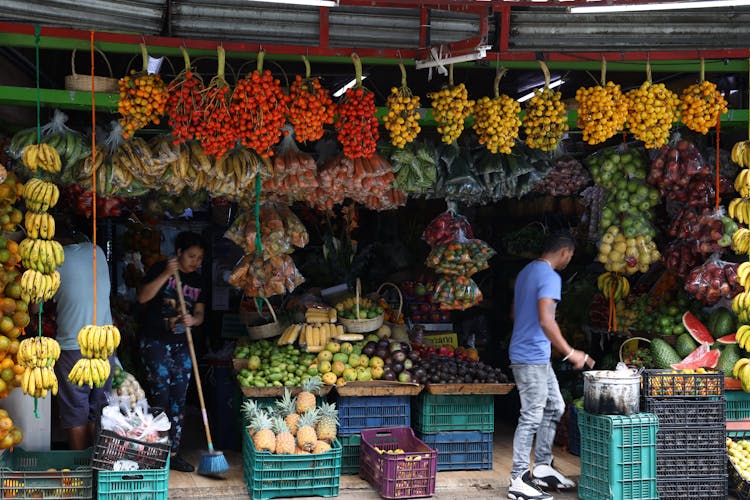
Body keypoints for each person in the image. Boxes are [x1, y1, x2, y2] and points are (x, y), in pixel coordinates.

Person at [507, 231, 595, 500]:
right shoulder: (550, 277)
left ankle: (543, 467)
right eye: (570, 255)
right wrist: (571, 353)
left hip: (534, 354)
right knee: (532, 414)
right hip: (530, 356)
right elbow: (547, 320)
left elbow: (513, 312)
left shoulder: (527, 271)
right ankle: (518, 479)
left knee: (555, 406)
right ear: (565, 252)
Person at [137, 231, 206, 473]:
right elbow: (142, 297)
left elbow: (200, 314)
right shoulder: (160, 269)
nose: (195, 261)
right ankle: (157, 452)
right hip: (155, 343)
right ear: (178, 253)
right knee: (160, 398)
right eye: (191, 256)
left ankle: (173, 454)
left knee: (178, 400)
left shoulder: (198, 280)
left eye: (199, 258)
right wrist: (167, 273)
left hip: (182, 345)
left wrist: (193, 320)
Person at [52, 216, 113, 450]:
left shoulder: (52, 263)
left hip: (73, 345)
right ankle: (97, 463)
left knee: (76, 408)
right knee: (99, 407)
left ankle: (81, 465)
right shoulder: (96, 250)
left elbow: (35, 307)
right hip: (105, 343)